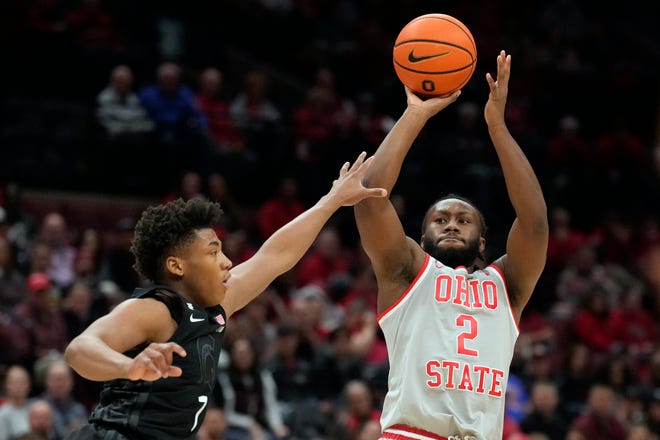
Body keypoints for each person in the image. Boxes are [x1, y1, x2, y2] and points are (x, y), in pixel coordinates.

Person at [62, 151, 386, 440]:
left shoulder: (218, 304)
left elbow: (274, 256)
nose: (228, 261)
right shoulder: (157, 308)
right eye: (213, 252)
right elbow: (80, 349)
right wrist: (129, 365)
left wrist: (331, 200)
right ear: (177, 266)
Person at [353, 50, 549, 439]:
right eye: (440, 220)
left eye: (463, 220)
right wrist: (415, 115)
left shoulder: (507, 285)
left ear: (482, 242)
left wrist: (497, 128)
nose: (452, 225)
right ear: (422, 238)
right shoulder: (407, 271)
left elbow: (535, 221)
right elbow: (371, 198)